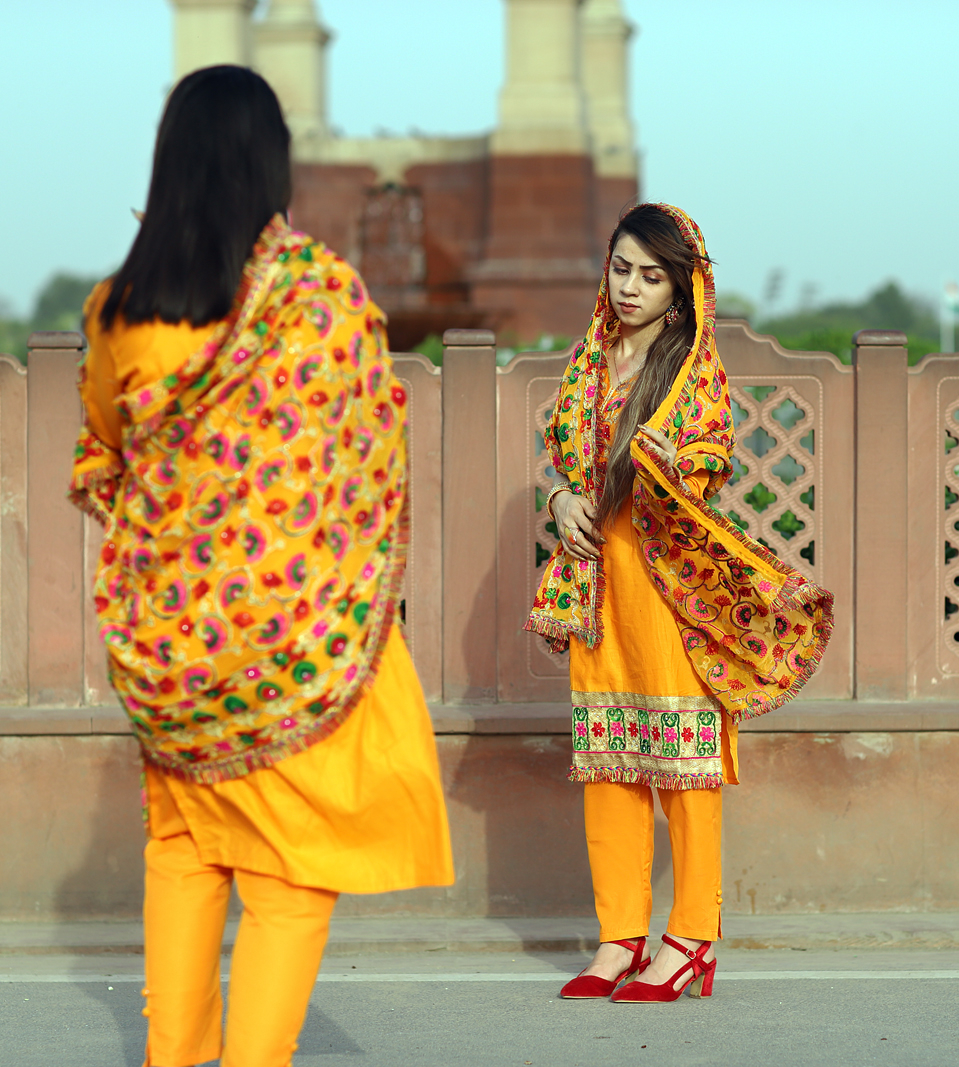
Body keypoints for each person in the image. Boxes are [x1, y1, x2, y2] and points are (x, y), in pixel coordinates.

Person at [69, 66, 453, 1066]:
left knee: (185, 849)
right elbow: (366, 451)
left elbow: (108, 441)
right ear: (274, 166)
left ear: (168, 162)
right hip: (296, 643)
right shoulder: (319, 300)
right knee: (287, 875)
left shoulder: (118, 309)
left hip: (170, 645)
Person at [527, 203, 833, 1003]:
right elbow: (562, 457)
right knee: (610, 764)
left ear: (681, 289)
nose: (630, 287)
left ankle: (692, 936)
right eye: (621, 268)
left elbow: (711, 457)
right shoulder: (589, 358)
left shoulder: (692, 368)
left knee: (684, 768)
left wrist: (673, 467)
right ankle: (619, 936)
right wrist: (559, 499)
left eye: (651, 276)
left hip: (667, 587)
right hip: (598, 587)